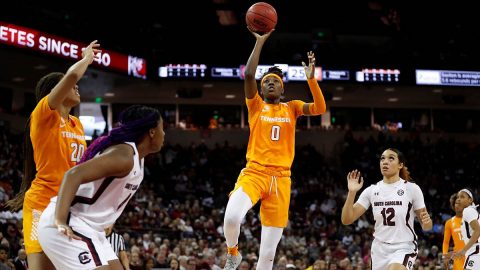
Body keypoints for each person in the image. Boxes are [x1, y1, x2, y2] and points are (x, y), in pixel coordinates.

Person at [223, 27, 327, 270]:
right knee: (231, 217)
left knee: (267, 255)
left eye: (275, 82)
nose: (270, 83)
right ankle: (233, 253)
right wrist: (259, 43)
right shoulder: (256, 106)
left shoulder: (292, 107)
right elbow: (249, 75)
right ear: (260, 89)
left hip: (281, 180)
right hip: (255, 174)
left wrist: (311, 80)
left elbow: (320, 108)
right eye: (266, 82)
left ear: (282, 89)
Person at [5, 40, 100, 270]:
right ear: (56, 92)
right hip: (41, 204)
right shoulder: (43, 115)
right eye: (71, 85)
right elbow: (70, 78)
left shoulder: (76, 124)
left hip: (67, 206)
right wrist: (86, 59)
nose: (76, 87)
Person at [37, 105, 165, 270]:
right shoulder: (124, 156)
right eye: (162, 128)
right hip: (70, 222)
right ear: (152, 132)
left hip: (91, 229)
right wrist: (60, 221)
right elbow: (72, 175)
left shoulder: (138, 158)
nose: (164, 134)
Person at [341, 148, 432, 270]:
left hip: (404, 246)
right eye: (382, 158)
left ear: (400, 165)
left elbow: (426, 226)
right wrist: (351, 193)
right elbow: (347, 220)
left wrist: (427, 222)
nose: (385, 161)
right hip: (379, 248)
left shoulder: (412, 189)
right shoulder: (371, 190)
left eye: (391, 158)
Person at [450, 188, 480, 270]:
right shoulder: (472, 211)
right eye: (458, 197)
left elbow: (478, 230)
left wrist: (463, 250)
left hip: (475, 251)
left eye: (462, 197)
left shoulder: (467, 210)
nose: (459, 199)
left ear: (470, 200)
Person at [442, 193, 465, 270]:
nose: (458, 205)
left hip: (473, 254)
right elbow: (446, 242)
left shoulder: (472, 220)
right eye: (456, 203)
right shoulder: (449, 222)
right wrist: (445, 256)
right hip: (458, 257)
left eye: (460, 203)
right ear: (453, 206)